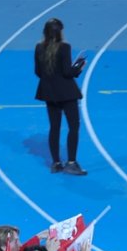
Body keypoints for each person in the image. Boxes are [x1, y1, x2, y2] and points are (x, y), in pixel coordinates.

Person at [34, 17, 87, 175]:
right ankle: (71, 163)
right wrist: (78, 68)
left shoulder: (39, 47)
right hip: (67, 93)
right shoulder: (64, 47)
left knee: (54, 127)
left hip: (49, 93)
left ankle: (56, 163)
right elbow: (67, 72)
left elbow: (38, 72)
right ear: (60, 32)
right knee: (73, 127)